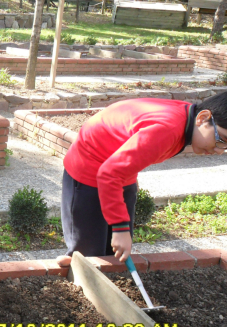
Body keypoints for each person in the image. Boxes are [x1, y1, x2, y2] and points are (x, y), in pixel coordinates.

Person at [56, 95, 227, 267]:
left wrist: (121, 227)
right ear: (203, 118)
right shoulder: (168, 129)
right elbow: (109, 173)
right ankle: (75, 269)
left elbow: (124, 159)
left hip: (118, 172)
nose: (220, 151)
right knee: (90, 255)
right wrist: (120, 228)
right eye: (222, 140)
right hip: (89, 167)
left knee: (115, 251)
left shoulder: (186, 119)